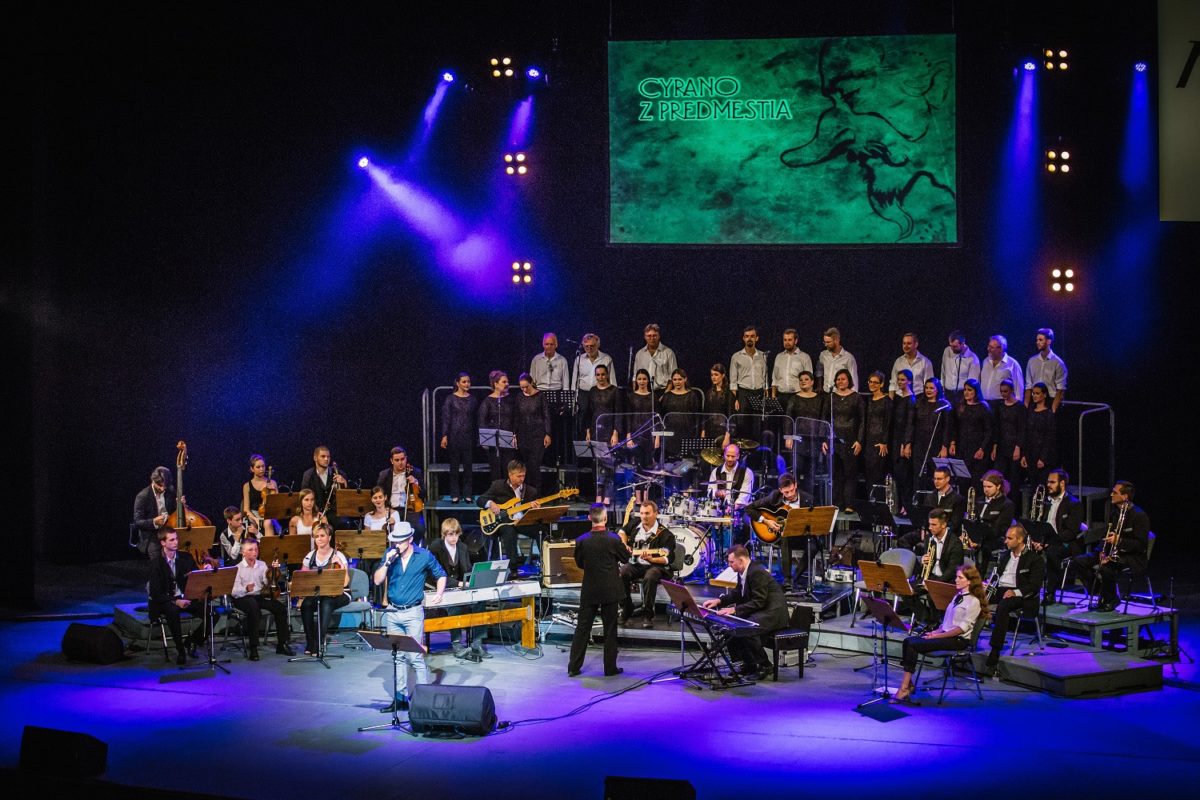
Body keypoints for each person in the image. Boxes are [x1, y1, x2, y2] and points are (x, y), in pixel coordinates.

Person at [374, 521, 446, 712]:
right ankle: (401, 698)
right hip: (393, 611)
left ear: (410, 540)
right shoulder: (390, 556)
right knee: (398, 656)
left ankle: (424, 699)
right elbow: (377, 579)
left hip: (413, 612)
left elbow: (441, 574)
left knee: (415, 657)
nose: (396, 545)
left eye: (400, 541)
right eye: (394, 541)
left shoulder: (423, 556)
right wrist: (387, 562)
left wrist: (439, 593)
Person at [892, 566, 987, 703]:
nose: (956, 580)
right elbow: (947, 624)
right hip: (946, 635)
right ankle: (909, 684)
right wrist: (934, 632)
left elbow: (961, 629)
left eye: (960, 577)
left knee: (913, 645)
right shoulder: (957, 597)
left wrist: (938, 636)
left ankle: (904, 688)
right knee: (908, 640)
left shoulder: (974, 601)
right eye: (957, 576)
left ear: (970, 581)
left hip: (958, 640)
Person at [700, 545, 789, 679]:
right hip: (762, 610)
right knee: (731, 625)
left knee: (746, 627)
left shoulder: (756, 572)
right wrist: (719, 601)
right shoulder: (743, 571)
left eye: (731, 562)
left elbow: (759, 601)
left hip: (773, 613)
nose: (729, 565)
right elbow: (737, 593)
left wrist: (734, 609)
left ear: (741, 560)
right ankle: (748, 663)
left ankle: (765, 665)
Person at [568, 504, 629, 677]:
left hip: (590, 588)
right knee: (610, 629)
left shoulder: (581, 540)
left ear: (589, 518)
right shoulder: (614, 539)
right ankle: (610, 668)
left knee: (582, 628)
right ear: (606, 518)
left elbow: (580, 563)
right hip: (610, 588)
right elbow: (625, 558)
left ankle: (573, 667)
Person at [1069, 482, 1149, 612]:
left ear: (1125, 496)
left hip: (1131, 557)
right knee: (1079, 561)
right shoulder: (1115, 513)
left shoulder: (1139, 516)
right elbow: (1107, 535)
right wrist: (1101, 552)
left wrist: (1120, 541)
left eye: (1115, 493)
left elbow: (1140, 545)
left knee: (1106, 568)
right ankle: (1099, 592)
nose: (1111, 495)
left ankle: (1111, 599)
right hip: (1112, 553)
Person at [983, 524, 1046, 674]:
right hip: (1001, 589)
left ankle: (995, 649)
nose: (1006, 541)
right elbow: (997, 577)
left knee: (1003, 606)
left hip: (1022, 596)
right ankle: (965, 640)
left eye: (1009, 538)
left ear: (1020, 539)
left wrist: (1015, 592)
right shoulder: (1005, 556)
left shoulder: (1034, 560)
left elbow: (1034, 586)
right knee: (973, 597)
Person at [147, 529, 212, 665]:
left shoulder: (186, 557)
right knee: (172, 611)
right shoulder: (156, 563)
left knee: (211, 613)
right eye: (171, 540)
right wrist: (176, 601)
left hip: (186, 597)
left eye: (176, 538)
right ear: (163, 543)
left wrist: (204, 572)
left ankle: (192, 641)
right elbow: (156, 593)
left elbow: (196, 577)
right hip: (166, 601)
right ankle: (180, 650)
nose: (176, 542)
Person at [429, 518, 489, 660]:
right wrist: (460, 584)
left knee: (479, 601)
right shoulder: (436, 547)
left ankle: (477, 643)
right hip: (440, 588)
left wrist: (472, 581)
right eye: (450, 534)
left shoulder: (462, 547)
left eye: (456, 534)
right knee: (454, 605)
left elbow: (467, 570)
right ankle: (456, 644)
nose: (454, 537)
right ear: (444, 534)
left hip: (459, 587)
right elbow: (435, 575)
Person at [229, 537, 293, 660]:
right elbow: (234, 592)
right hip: (242, 598)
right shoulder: (237, 568)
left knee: (279, 608)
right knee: (253, 608)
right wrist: (245, 589)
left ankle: (282, 644)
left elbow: (267, 582)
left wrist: (272, 572)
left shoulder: (262, 564)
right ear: (243, 552)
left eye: (256, 549)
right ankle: (253, 647)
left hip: (259, 596)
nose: (254, 552)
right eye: (251, 550)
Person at [746, 473, 814, 588]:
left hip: (802, 536)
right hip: (781, 536)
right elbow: (749, 508)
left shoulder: (808, 498)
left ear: (796, 485)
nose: (790, 495)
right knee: (785, 536)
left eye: (792, 490)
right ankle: (787, 578)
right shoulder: (775, 496)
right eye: (786, 492)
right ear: (780, 490)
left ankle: (796, 577)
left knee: (814, 546)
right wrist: (766, 521)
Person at [618, 501, 676, 628]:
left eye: (647, 513)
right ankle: (627, 607)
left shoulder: (666, 534)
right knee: (622, 572)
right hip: (636, 564)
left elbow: (668, 559)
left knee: (650, 576)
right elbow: (622, 531)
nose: (644, 516)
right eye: (642, 513)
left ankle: (648, 614)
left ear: (656, 514)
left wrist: (652, 559)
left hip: (656, 566)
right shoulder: (634, 524)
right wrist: (624, 544)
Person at [297, 523, 351, 657]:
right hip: (318, 594)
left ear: (329, 537)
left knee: (327, 602)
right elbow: (303, 580)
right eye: (316, 536)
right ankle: (310, 642)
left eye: (322, 536)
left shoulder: (338, 555)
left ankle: (319, 642)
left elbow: (345, 582)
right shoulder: (310, 556)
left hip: (340, 594)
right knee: (306, 605)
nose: (319, 539)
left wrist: (340, 564)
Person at [477, 459, 539, 574]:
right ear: (510, 475)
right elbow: (480, 500)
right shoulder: (498, 486)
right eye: (518, 476)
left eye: (523, 476)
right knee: (509, 532)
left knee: (541, 531)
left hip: (521, 522)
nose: (522, 479)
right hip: (502, 522)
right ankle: (513, 569)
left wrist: (535, 509)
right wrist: (490, 503)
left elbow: (533, 514)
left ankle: (545, 564)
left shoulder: (531, 491)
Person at [1032, 468, 1085, 597]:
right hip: (1045, 541)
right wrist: (1037, 540)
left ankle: (1050, 592)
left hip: (1065, 544)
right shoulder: (1045, 502)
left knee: (1052, 552)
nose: (1048, 485)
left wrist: (1047, 543)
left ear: (1062, 484)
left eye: (1052, 482)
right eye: (1048, 482)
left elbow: (1071, 532)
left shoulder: (1074, 504)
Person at [580, 364, 621, 503]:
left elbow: (618, 413)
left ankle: (608, 496)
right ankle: (598, 495)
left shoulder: (614, 391)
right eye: (598, 375)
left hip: (609, 431)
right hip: (596, 429)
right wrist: (587, 431)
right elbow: (588, 413)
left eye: (603, 374)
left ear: (607, 374)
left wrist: (615, 432)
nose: (600, 377)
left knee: (609, 465)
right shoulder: (592, 391)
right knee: (597, 465)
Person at [824, 368, 863, 510]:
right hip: (834, 440)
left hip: (851, 440)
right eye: (838, 379)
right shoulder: (831, 397)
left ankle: (849, 504)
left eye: (843, 379)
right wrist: (824, 439)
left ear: (849, 381)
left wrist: (859, 440)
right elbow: (825, 418)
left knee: (850, 473)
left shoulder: (856, 397)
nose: (840, 381)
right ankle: (836, 503)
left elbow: (862, 420)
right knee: (836, 474)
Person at [440, 372, 478, 503]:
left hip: (468, 436)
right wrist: (444, 435)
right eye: (464, 382)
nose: (467, 384)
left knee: (468, 467)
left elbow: (475, 419)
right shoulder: (450, 399)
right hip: (454, 435)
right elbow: (446, 419)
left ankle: (468, 493)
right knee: (454, 467)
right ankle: (455, 494)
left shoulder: (472, 399)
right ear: (457, 383)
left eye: (468, 381)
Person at [948, 378, 993, 488]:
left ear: (976, 391)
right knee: (963, 480)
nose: (966, 392)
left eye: (970, 390)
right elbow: (955, 426)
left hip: (977, 448)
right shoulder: (961, 406)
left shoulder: (983, 407)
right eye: (965, 390)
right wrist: (953, 443)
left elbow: (989, 430)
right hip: (962, 447)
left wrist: (982, 448)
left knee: (976, 480)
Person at [377, 446, 425, 544]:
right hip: (391, 508)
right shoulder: (384, 475)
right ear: (391, 461)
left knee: (420, 527)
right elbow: (379, 493)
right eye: (397, 460)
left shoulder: (415, 472)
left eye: (403, 459)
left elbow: (424, 494)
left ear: (406, 458)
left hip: (410, 509)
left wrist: (416, 482)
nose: (400, 462)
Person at [911, 377, 951, 489]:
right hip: (919, 444)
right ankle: (918, 502)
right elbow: (912, 424)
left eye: (931, 388)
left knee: (935, 474)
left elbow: (947, 428)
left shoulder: (943, 405)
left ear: (937, 389)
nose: (928, 390)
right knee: (918, 475)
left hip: (935, 444)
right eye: (926, 388)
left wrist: (944, 446)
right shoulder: (919, 403)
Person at [478, 369, 517, 481]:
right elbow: (482, 420)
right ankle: (497, 494)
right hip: (493, 441)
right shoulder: (488, 401)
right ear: (495, 384)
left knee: (509, 469)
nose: (507, 384)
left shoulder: (510, 400)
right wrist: (484, 439)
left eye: (507, 382)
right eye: (504, 382)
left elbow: (516, 418)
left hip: (509, 439)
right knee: (495, 470)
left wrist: (515, 435)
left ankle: (509, 494)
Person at [972, 470, 1016, 569]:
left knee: (985, 548)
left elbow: (1000, 528)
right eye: (984, 487)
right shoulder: (980, 500)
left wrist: (979, 540)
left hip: (994, 539)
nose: (986, 490)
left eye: (989, 487)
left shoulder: (1007, 504)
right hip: (977, 536)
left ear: (998, 486)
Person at [991, 379, 1026, 494]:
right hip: (1002, 445)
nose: (1003, 394)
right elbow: (997, 427)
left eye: (1005, 391)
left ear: (1011, 390)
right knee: (999, 476)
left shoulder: (1019, 407)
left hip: (1014, 445)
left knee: (1014, 479)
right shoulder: (1000, 406)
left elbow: (1022, 428)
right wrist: (995, 447)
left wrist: (1018, 447)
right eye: (1001, 391)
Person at [657, 368, 701, 460]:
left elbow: (697, 417)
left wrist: (696, 436)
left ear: (685, 379)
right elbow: (661, 416)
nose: (677, 382)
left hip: (687, 435)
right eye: (675, 379)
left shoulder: (692, 396)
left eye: (680, 379)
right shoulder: (667, 396)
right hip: (670, 436)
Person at [133, 466, 175, 559]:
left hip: (168, 530)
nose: (163, 488)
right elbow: (137, 522)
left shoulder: (170, 490)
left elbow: (174, 509)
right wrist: (153, 521)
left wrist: (181, 504)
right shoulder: (143, 496)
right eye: (160, 485)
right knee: (157, 559)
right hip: (152, 534)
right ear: (153, 481)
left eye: (165, 486)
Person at [1021, 383, 1056, 492]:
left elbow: (1049, 437)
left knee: (1042, 487)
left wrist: (1043, 458)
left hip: (1042, 456)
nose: (1034, 396)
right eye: (1033, 393)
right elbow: (1026, 435)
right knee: (1033, 487)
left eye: (1037, 393)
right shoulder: (1030, 412)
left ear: (1044, 395)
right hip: (1031, 454)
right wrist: (1024, 455)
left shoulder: (1048, 414)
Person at [862, 371, 893, 495]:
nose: (872, 384)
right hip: (868, 441)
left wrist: (884, 442)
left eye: (876, 382)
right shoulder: (868, 399)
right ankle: (871, 502)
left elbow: (888, 423)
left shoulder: (887, 401)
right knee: (868, 474)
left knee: (877, 474)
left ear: (881, 384)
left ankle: (878, 503)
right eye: (871, 382)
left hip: (880, 442)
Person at [890, 370, 917, 511]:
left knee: (905, 475)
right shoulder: (899, 398)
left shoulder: (911, 400)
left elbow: (910, 424)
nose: (900, 382)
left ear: (910, 382)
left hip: (903, 441)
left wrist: (905, 443)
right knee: (898, 475)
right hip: (895, 439)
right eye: (898, 380)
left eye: (903, 380)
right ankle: (900, 505)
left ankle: (907, 506)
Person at [772, 328, 813, 416]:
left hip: (798, 396)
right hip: (781, 396)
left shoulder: (804, 357)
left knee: (795, 422)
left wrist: (807, 398)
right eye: (785, 340)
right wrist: (773, 397)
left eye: (790, 340)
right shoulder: (779, 357)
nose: (787, 342)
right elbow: (774, 379)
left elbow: (809, 380)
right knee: (781, 424)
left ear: (796, 341)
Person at [1024, 328, 1067, 412]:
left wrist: (1053, 409)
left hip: (1050, 400)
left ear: (1048, 341)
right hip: (1034, 400)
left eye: (1040, 340)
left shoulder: (1057, 362)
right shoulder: (1032, 361)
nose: (1037, 342)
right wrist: (1026, 406)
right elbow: (1028, 386)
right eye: (1037, 340)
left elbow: (1061, 389)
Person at [300, 445, 347, 521]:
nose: (326, 459)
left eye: (328, 457)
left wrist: (344, 483)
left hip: (336, 514)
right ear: (315, 458)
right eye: (323, 456)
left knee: (344, 523)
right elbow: (304, 496)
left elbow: (346, 497)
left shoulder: (339, 473)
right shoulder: (308, 475)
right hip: (316, 513)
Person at [708, 443, 755, 519]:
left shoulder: (747, 472)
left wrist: (732, 508)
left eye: (733, 456)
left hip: (740, 512)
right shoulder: (716, 471)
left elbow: (744, 497)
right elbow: (710, 492)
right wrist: (716, 493)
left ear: (738, 456)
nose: (730, 459)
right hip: (720, 510)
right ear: (724, 455)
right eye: (728, 456)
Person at [917, 509, 964, 584]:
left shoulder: (955, 544)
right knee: (907, 592)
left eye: (934, 525)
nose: (930, 527)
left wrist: (934, 584)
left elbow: (952, 571)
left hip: (946, 582)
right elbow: (926, 566)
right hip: (930, 578)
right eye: (930, 524)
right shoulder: (929, 539)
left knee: (931, 595)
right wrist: (922, 560)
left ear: (944, 525)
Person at [729, 325, 768, 410]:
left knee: (757, 422)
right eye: (747, 336)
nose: (749, 339)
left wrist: (766, 396)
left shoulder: (763, 356)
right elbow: (733, 381)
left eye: (752, 336)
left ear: (756, 338)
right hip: (743, 394)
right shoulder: (736, 356)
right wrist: (735, 399)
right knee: (743, 422)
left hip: (759, 393)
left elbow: (765, 377)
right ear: (743, 338)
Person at [940, 330, 982, 405]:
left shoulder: (973, 359)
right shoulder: (947, 351)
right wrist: (942, 388)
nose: (952, 349)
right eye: (951, 346)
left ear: (962, 344)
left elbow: (972, 382)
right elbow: (943, 371)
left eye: (955, 347)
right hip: (948, 393)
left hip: (962, 394)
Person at [980, 334, 1025, 402]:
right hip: (985, 403)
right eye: (988, 346)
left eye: (991, 347)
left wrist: (1017, 406)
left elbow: (1019, 389)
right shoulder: (985, 361)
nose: (988, 349)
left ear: (1000, 349)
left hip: (1002, 404)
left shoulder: (1013, 364)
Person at [633, 323, 677, 391]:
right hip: (644, 391)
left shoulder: (668, 353)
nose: (652, 338)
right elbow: (635, 377)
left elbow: (673, 376)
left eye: (654, 336)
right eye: (649, 336)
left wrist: (666, 395)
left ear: (659, 336)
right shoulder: (640, 354)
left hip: (663, 390)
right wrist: (635, 393)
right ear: (645, 337)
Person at [702, 363, 734, 447]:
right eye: (712, 375)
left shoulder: (729, 394)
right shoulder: (709, 393)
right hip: (710, 430)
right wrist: (703, 430)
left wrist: (727, 436)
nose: (713, 377)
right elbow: (705, 414)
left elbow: (730, 416)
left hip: (723, 431)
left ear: (723, 375)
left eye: (716, 374)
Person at [818, 327, 858, 392]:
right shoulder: (823, 355)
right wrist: (819, 386)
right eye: (824, 342)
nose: (825, 345)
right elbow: (819, 370)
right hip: (825, 394)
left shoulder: (848, 358)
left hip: (840, 394)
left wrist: (853, 397)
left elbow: (853, 380)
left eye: (828, 342)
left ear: (836, 340)